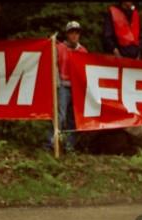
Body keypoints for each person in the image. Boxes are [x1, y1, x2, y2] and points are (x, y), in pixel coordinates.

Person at [51, 21, 88, 152]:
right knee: (60, 116)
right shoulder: (59, 48)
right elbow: (54, 65)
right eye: (72, 32)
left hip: (77, 89)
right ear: (67, 34)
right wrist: (56, 83)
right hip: (63, 86)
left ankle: (69, 146)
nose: (74, 35)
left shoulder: (83, 51)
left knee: (74, 118)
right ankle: (52, 143)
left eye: (76, 32)